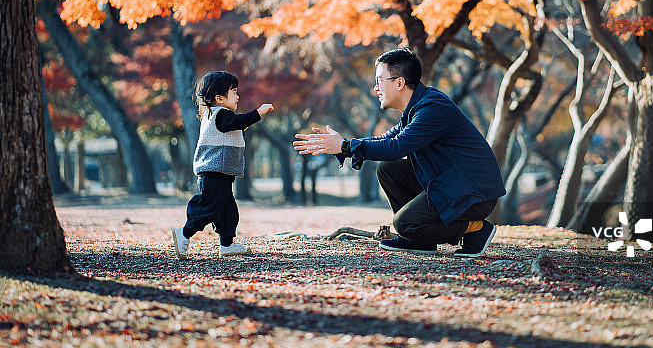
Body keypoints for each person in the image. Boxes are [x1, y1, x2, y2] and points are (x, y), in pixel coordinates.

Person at [294, 48, 505, 258]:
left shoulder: (432, 108)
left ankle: (477, 229)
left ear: (399, 83)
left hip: (473, 195)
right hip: (451, 185)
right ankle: (421, 241)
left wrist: (346, 147)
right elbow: (386, 139)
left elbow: (397, 147)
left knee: (405, 223)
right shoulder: (416, 109)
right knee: (388, 169)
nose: (376, 88)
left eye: (379, 81)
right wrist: (346, 145)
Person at [171, 71, 274, 259]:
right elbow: (238, 121)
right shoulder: (220, 115)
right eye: (233, 92)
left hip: (221, 173)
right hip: (214, 173)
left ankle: (227, 244)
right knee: (209, 207)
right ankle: (184, 233)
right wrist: (258, 112)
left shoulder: (218, 116)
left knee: (228, 211)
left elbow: (236, 126)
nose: (238, 96)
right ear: (219, 98)